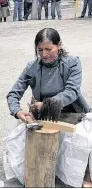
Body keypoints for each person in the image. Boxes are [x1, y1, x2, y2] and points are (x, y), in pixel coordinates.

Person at [7, 28, 91, 187]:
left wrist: (46, 103)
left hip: (72, 111)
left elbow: (71, 92)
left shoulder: (72, 63)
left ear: (59, 45)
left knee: (84, 139)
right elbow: (13, 93)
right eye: (40, 50)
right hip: (43, 115)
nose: (44, 54)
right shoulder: (32, 67)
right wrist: (18, 112)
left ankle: (85, 174)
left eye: (48, 49)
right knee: (24, 141)